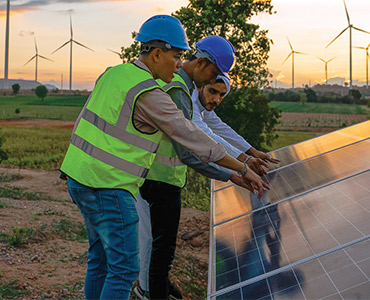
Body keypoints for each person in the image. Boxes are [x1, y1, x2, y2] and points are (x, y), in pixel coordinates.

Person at [59, 15, 269, 300]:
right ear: (157, 54)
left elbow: (85, 122)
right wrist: (241, 166)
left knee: (100, 261)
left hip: (77, 177)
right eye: (176, 56)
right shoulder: (149, 92)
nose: (180, 63)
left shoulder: (113, 73)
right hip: (108, 185)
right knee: (123, 269)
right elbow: (193, 138)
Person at [134, 36, 276, 300]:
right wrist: (239, 169)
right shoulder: (179, 90)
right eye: (214, 76)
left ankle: (153, 287)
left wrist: (247, 152)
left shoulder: (185, 89)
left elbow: (213, 127)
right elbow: (194, 145)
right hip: (158, 179)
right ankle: (150, 291)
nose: (213, 81)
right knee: (158, 248)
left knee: (156, 244)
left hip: (162, 177)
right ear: (201, 63)